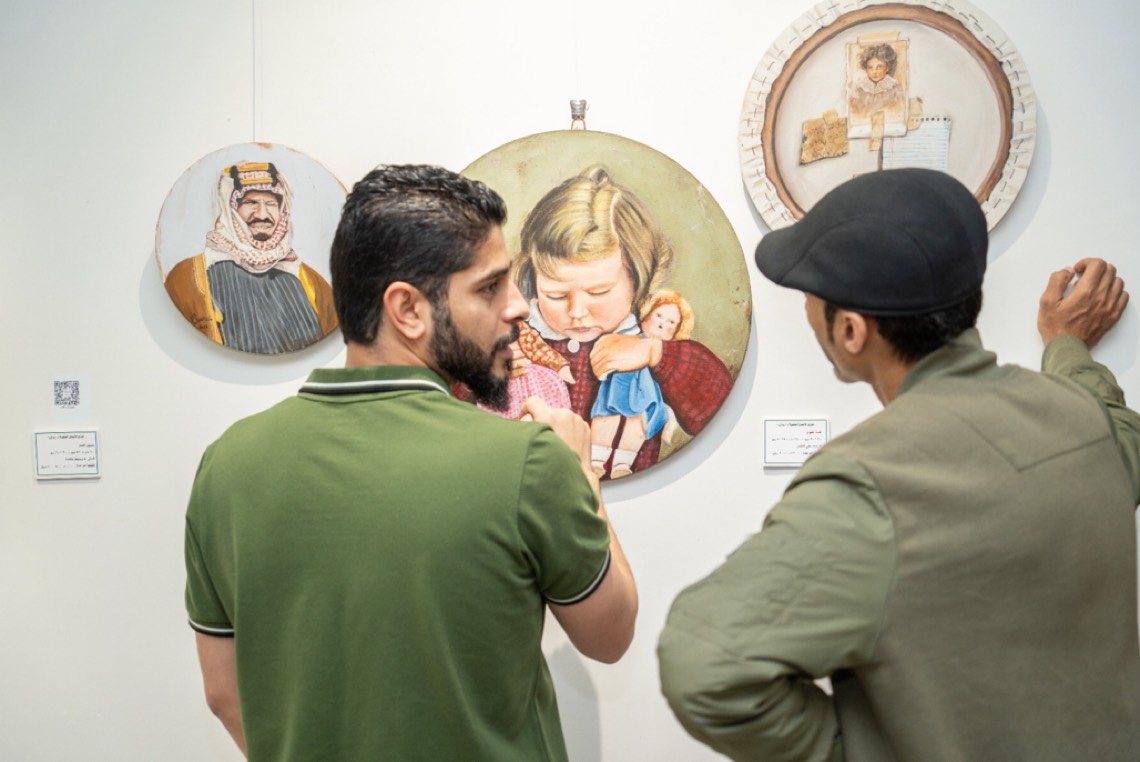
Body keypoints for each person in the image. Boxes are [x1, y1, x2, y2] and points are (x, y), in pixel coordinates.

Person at [657, 168, 1140, 761]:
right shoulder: (1085, 424)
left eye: (809, 296)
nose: (806, 309)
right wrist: (1067, 347)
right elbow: (1119, 427)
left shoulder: (868, 485)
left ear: (851, 331)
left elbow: (700, 666)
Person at [184, 164, 637, 761]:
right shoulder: (529, 460)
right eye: (489, 288)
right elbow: (610, 635)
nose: (519, 307)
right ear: (408, 310)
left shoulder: (226, 465)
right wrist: (581, 474)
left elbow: (224, 694)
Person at [498, 165, 734, 479]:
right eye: (555, 295)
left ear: (637, 280)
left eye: (599, 292)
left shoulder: (644, 342)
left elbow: (715, 402)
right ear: (532, 280)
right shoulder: (516, 339)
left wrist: (657, 354)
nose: (577, 311)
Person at [164, 161, 338, 353]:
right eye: (250, 203)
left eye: (271, 204)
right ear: (231, 208)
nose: (262, 214)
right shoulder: (189, 277)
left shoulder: (312, 283)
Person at [589, 289, 693, 478]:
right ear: (647, 314)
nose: (662, 323)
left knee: (637, 422)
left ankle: (622, 464)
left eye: (671, 322)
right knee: (606, 417)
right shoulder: (628, 335)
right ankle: (596, 461)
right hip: (617, 386)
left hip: (644, 391)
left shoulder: (664, 358)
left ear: (677, 331)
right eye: (659, 315)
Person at [848, 42, 904, 120]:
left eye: (879, 67)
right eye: (870, 67)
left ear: (887, 68)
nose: (874, 72)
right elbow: (855, 113)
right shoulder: (859, 88)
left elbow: (898, 111)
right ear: (866, 68)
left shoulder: (894, 88)